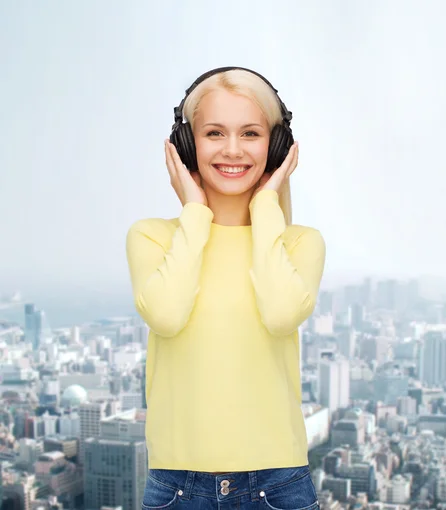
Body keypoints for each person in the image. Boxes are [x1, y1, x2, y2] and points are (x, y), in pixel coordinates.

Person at [126, 67, 326, 509]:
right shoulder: (153, 238)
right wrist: (194, 214)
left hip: (278, 484)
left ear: (275, 146)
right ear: (185, 146)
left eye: (251, 133)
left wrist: (267, 204)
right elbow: (166, 315)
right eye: (214, 132)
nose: (232, 150)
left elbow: (278, 314)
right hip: (177, 487)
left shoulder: (298, 244)